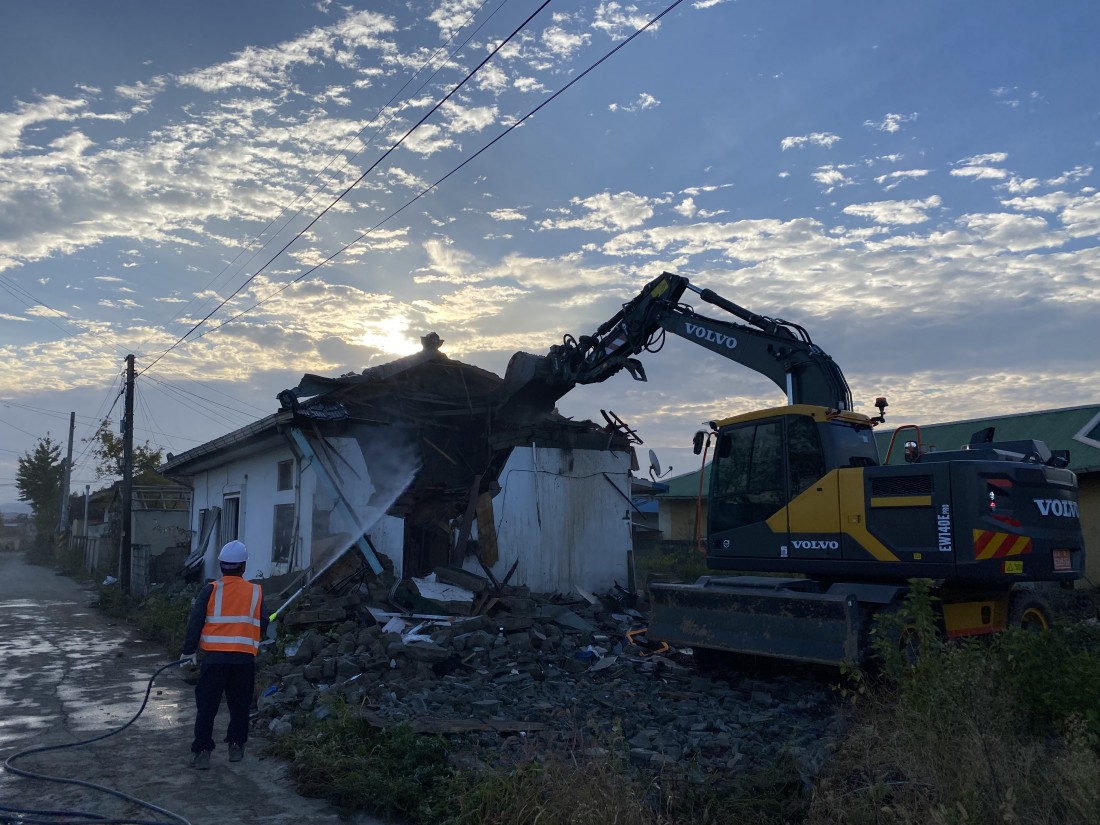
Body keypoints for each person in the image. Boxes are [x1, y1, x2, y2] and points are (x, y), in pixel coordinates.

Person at [180, 540, 267, 770]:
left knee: (207, 707)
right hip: (244, 660)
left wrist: (188, 652)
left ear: (221, 566)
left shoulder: (211, 590)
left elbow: (195, 622)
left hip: (214, 660)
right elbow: (263, 622)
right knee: (240, 705)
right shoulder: (255, 592)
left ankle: (202, 752)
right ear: (243, 566)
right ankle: (236, 746)